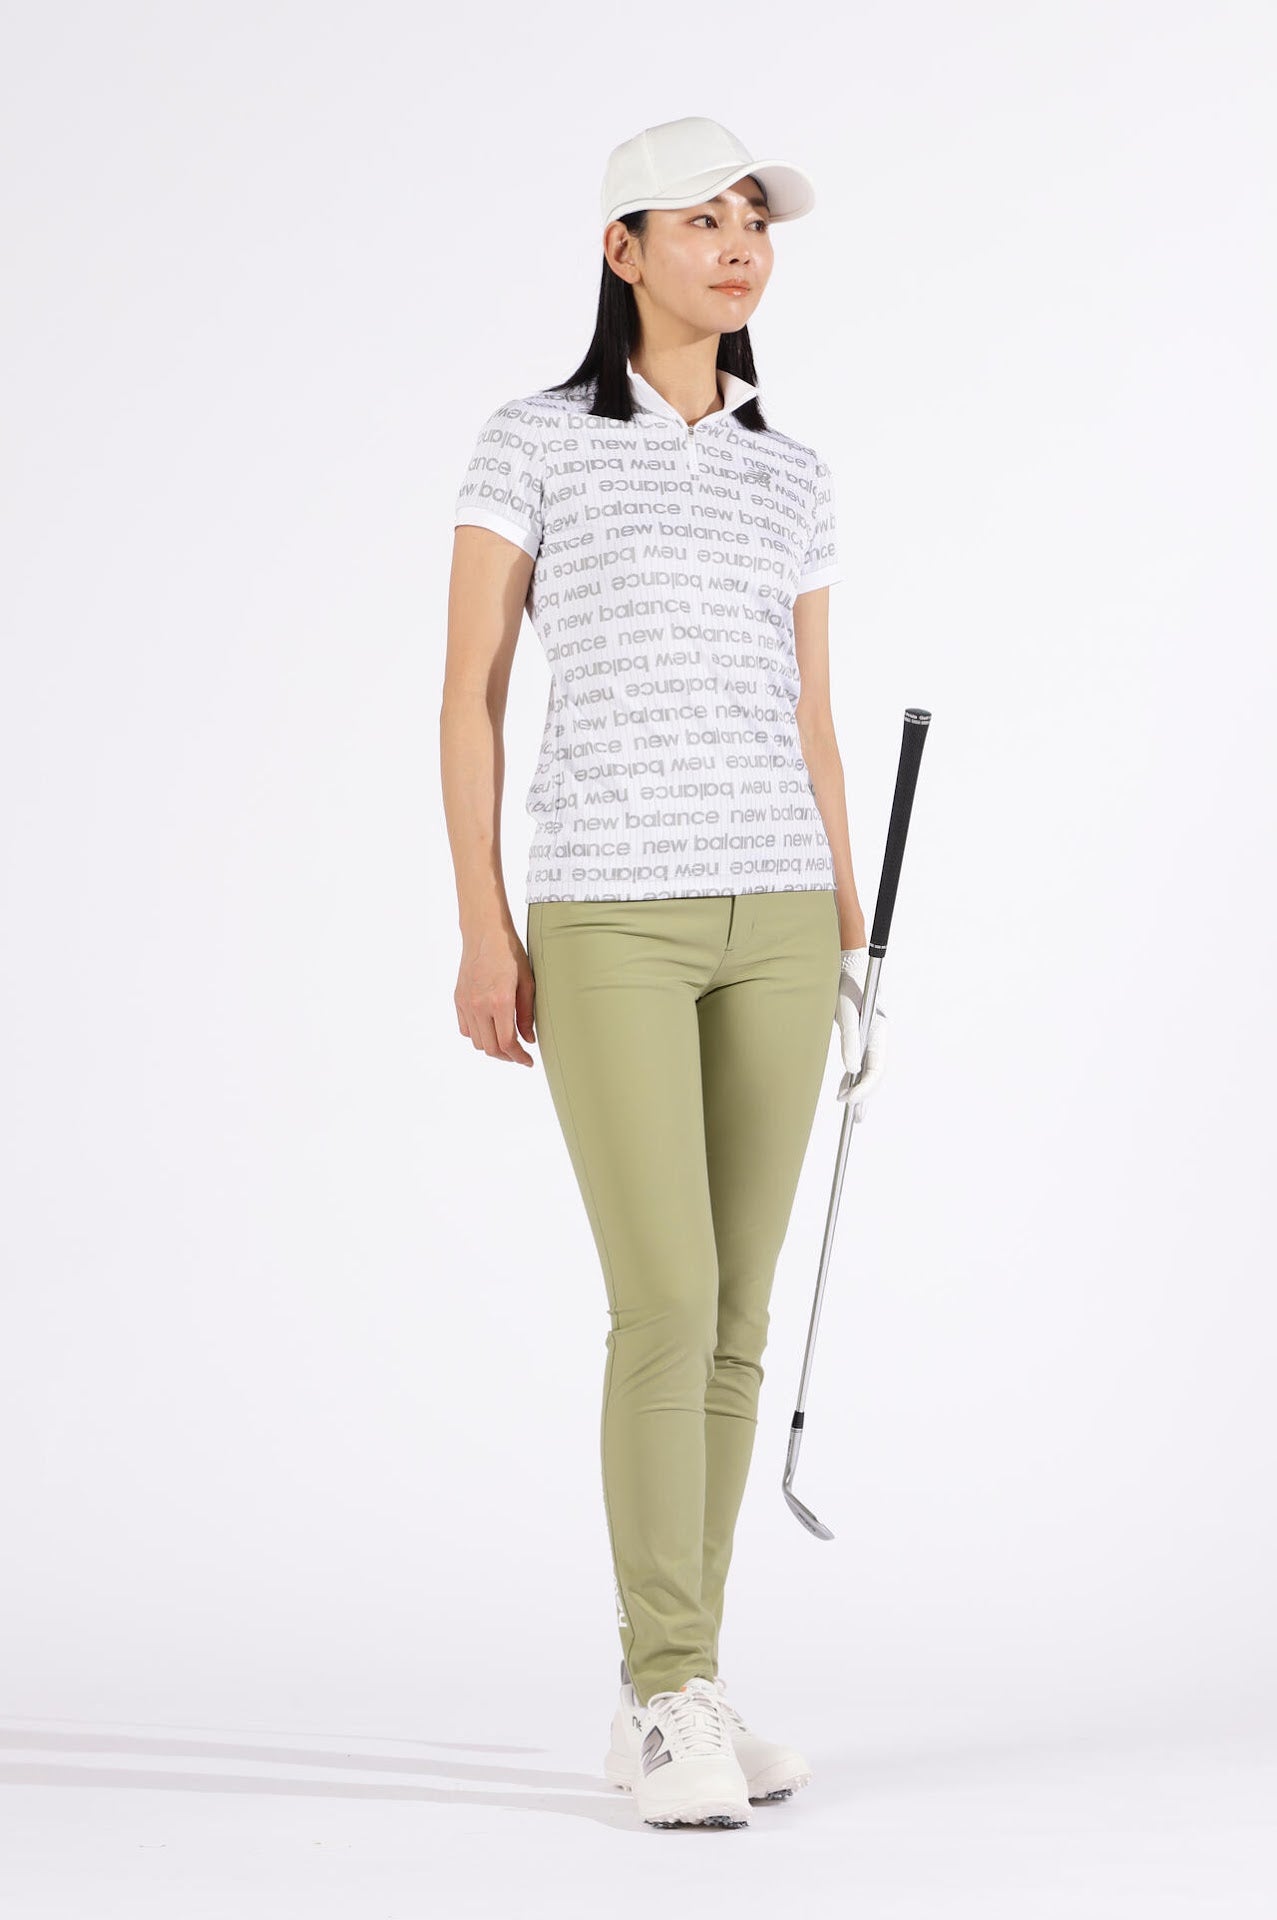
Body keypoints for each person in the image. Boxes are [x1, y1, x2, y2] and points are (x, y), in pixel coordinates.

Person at [441, 115, 888, 1830]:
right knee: (666, 1301)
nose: (737, 244)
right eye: (698, 219)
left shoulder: (792, 471)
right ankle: (660, 1691)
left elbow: (810, 714)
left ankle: (687, 1682)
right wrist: (485, 925)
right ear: (621, 249)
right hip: (609, 916)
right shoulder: (533, 440)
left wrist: (841, 917)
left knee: (738, 1317)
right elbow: (471, 693)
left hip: (776, 913)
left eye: (752, 220)